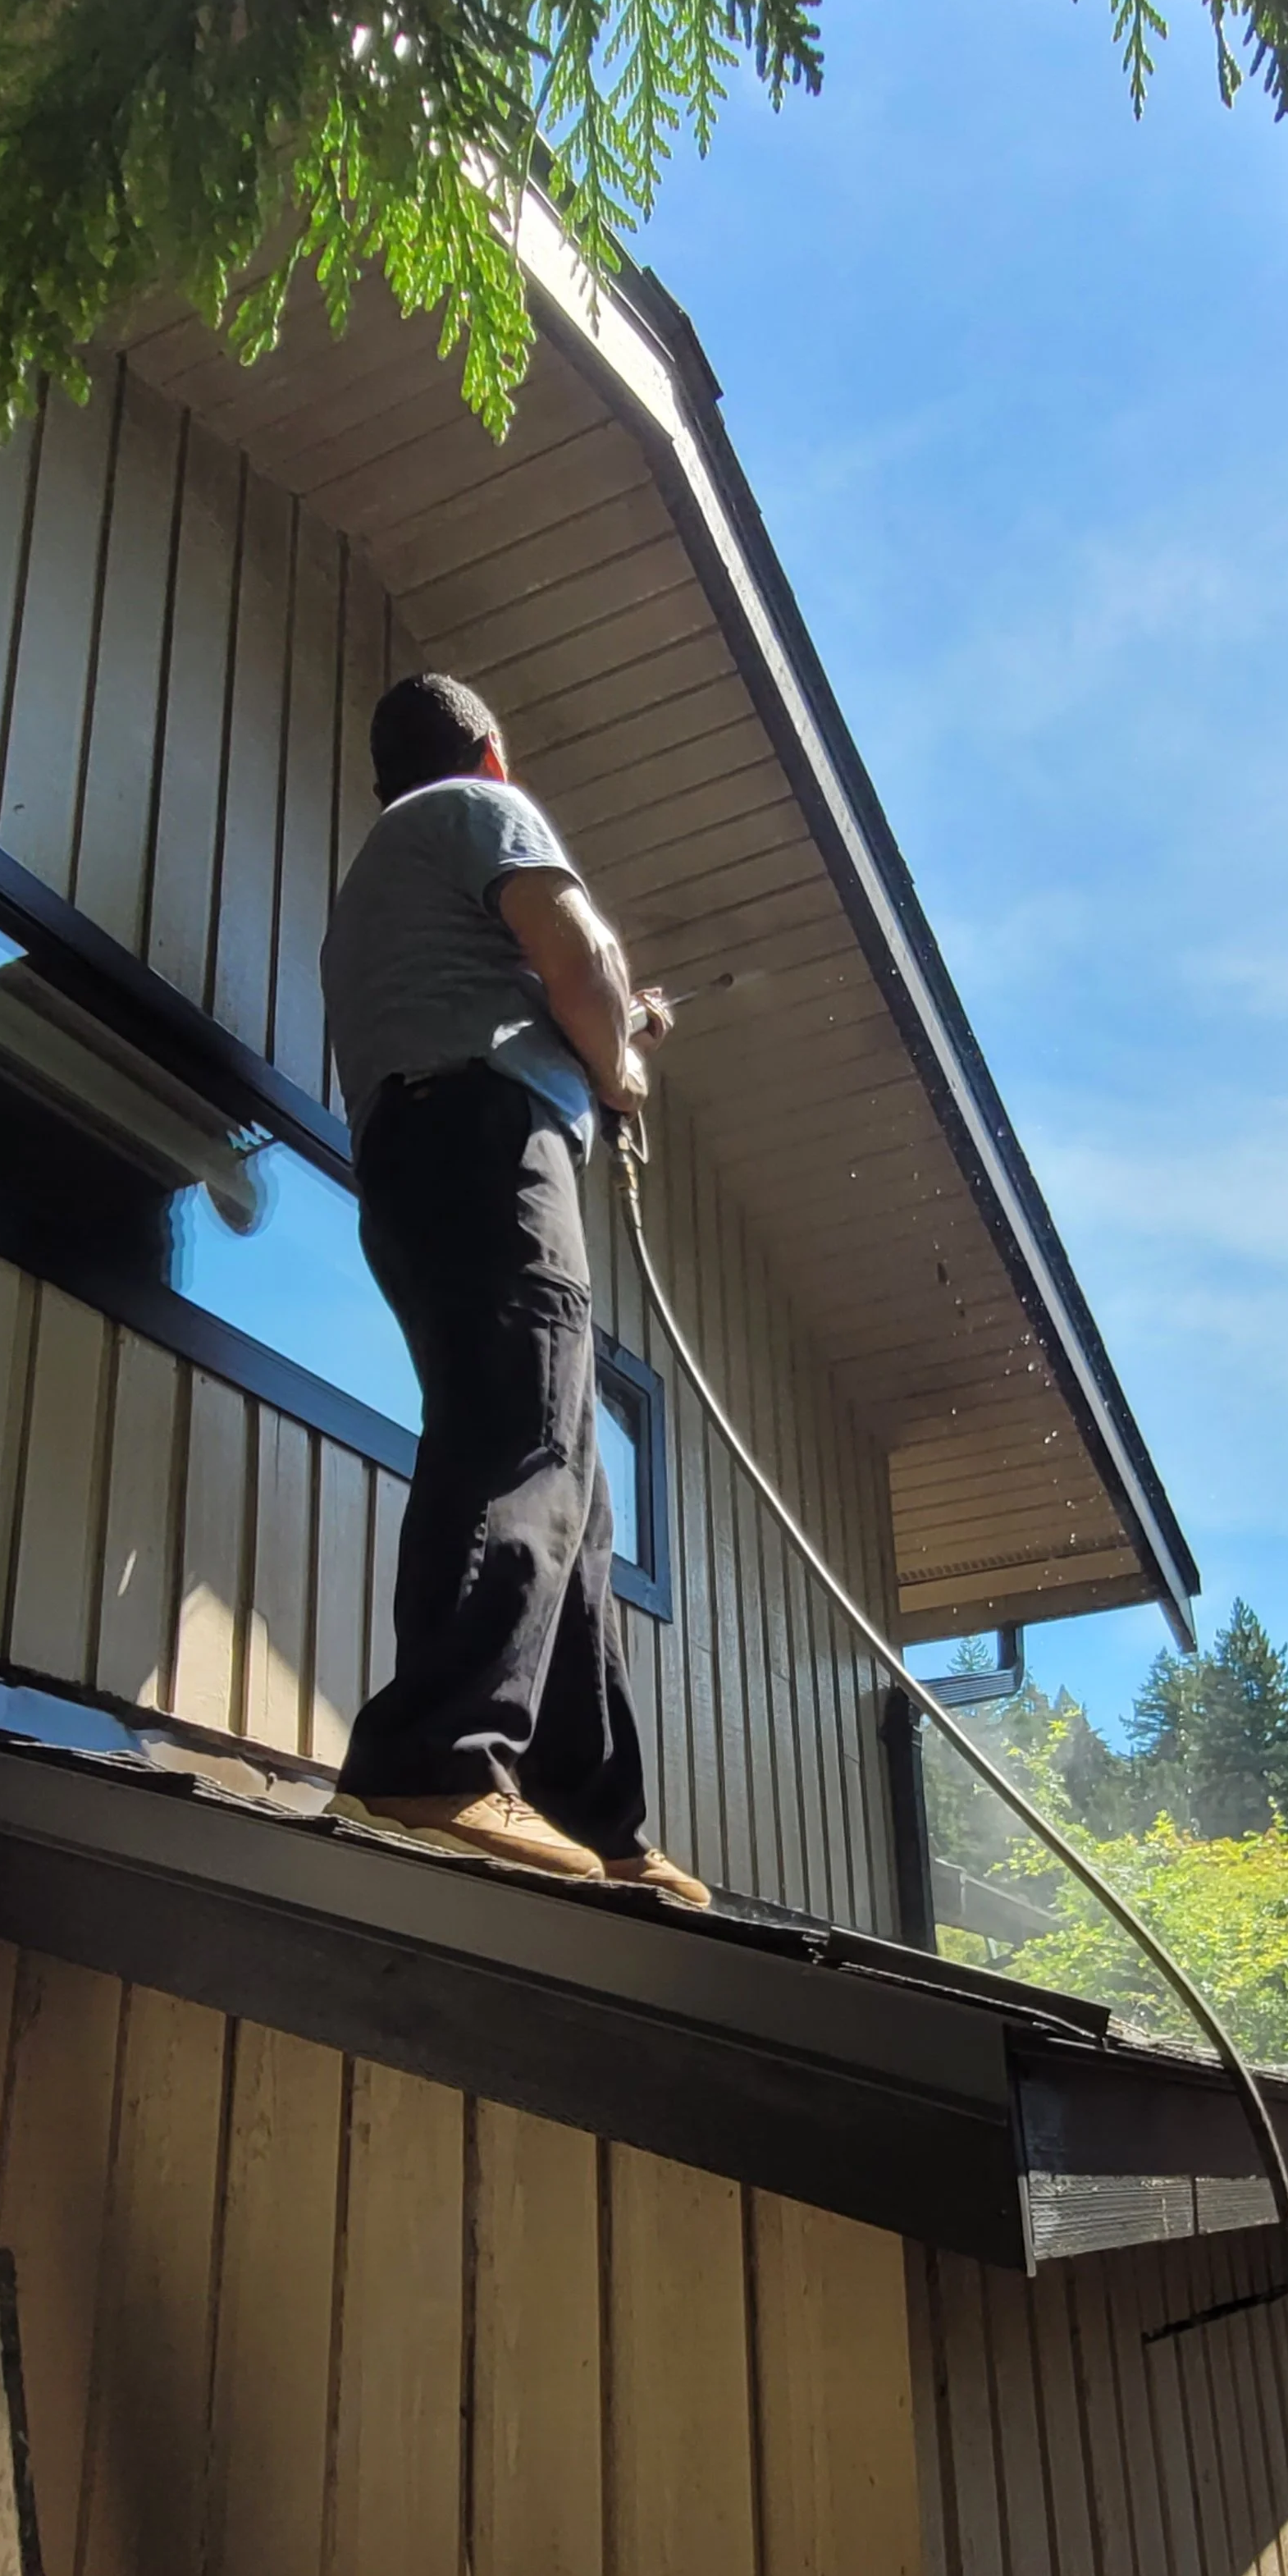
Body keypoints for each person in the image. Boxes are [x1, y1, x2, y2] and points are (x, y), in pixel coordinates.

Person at [321, 666, 707, 1906]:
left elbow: (534, 998)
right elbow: (578, 953)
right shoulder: (478, 807)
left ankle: (590, 1816)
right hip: (489, 1147)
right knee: (521, 1444)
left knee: (573, 1492)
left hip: (421, 1157)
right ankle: (431, 1758)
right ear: (488, 751)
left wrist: (599, 1038)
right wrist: (625, 1068)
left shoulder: (388, 883)